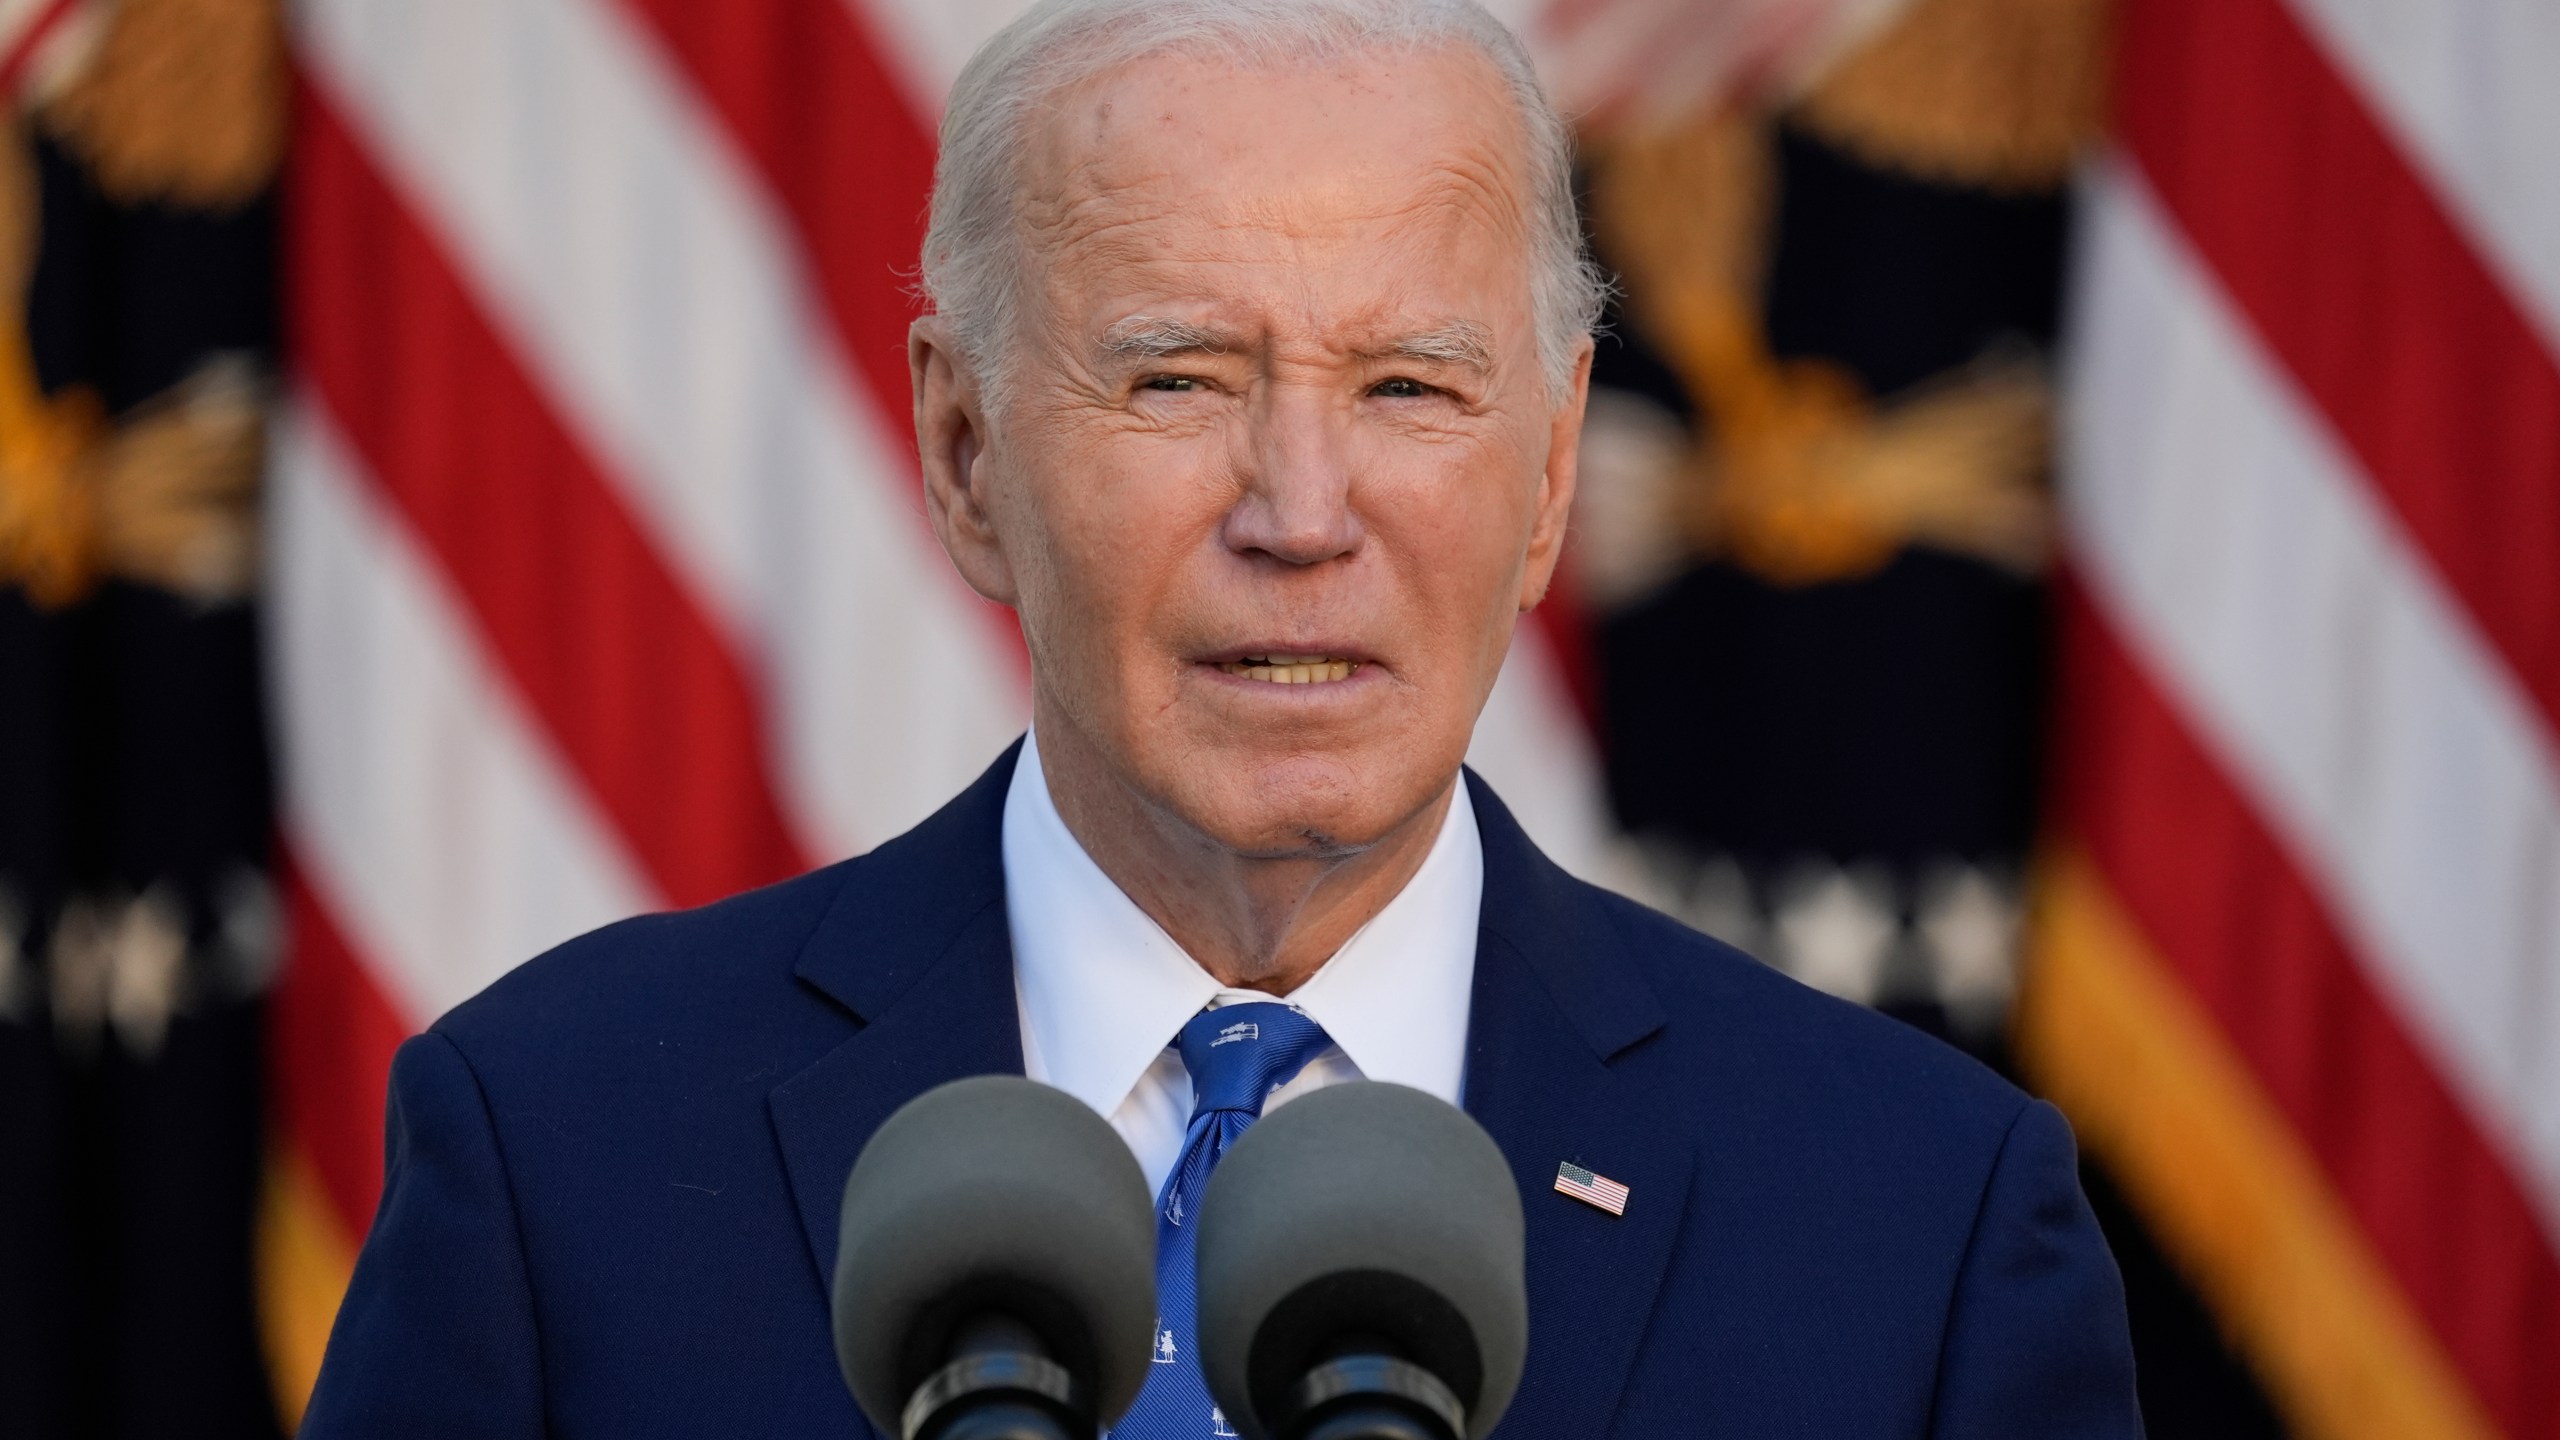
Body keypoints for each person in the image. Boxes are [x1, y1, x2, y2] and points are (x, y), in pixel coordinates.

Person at [299, 1, 2141, 1435]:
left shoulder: (1921, 1227)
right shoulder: (561, 1154)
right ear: (962, 452)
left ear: (1556, 468)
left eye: (1412, 386)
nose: (1303, 509)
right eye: (1179, 378)